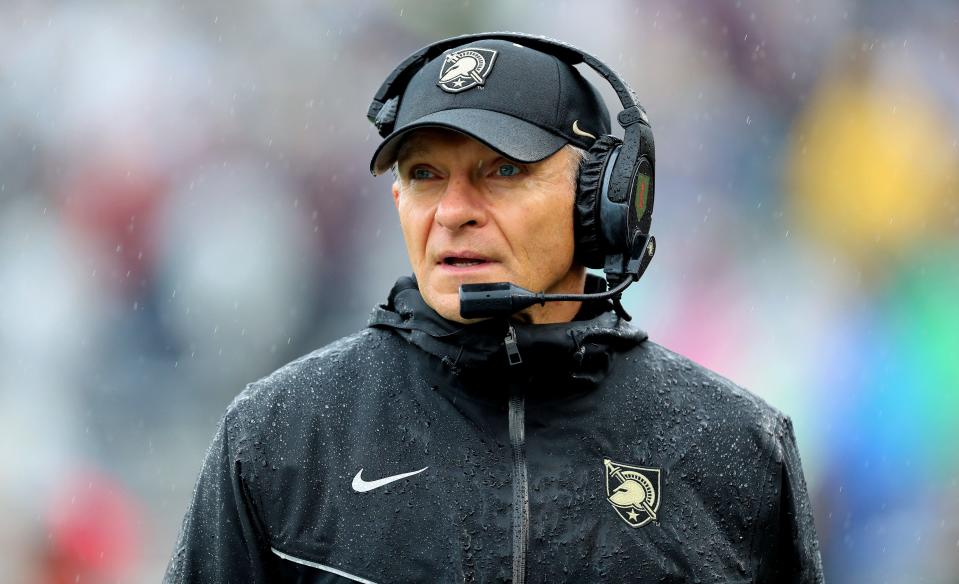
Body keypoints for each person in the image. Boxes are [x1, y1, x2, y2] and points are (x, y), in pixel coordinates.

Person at [165, 33, 824, 583]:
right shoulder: (277, 437)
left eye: (501, 170)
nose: (452, 212)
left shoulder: (734, 449)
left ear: (603, 200)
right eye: (424, 175)